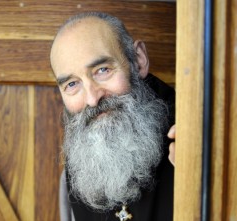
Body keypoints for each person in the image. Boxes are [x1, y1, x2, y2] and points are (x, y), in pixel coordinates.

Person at [50, 12, 176, 221]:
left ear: (138, 60)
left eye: (102, 70)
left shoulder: (194, 140)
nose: (92, 99)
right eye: (72, 84)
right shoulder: (80, 163)